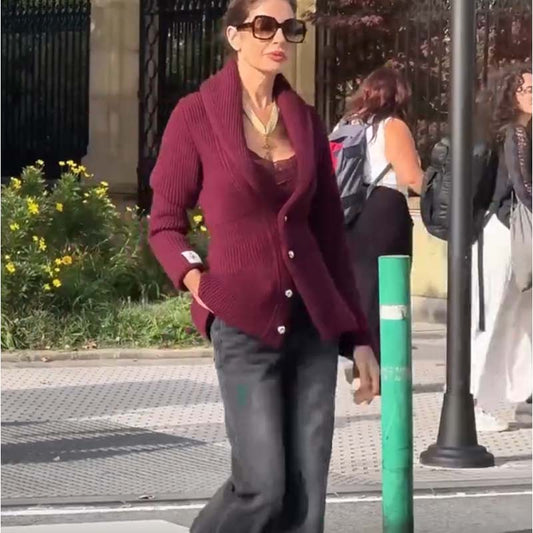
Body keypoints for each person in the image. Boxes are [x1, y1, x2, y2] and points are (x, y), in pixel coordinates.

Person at [148, 0, 380, 529]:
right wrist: (199, 281)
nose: (278, 37)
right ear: (234, 35)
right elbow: (164, 224)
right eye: (264, 25)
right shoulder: (196, 115)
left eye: (288, 27)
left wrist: (358, 338)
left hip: (312, 326)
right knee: (262, 485)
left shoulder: (305, 119)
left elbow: (330, 238)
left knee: (305, 496)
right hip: (243, 324)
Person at [336, 68, 424, 381]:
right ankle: (384, 371)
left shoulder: (346, 125)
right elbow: (411, 177)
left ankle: (361, 362)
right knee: (388, 289)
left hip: (349, 210)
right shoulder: (393, 126)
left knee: (361, 288)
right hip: (385, 209)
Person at [471, 65, 532, 432]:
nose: (532, 94)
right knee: (495, 316)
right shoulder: (515, 133)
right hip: (505, 232)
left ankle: (514, 397)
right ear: (511, 94)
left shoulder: (520, 132)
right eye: (527, 88)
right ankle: (480, 403)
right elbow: (523, 188)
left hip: (508, 232)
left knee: (516, 318)